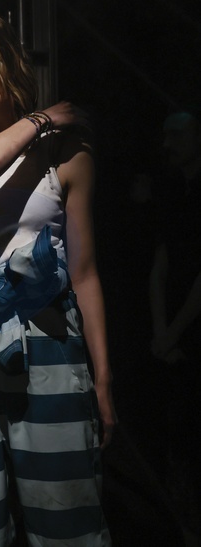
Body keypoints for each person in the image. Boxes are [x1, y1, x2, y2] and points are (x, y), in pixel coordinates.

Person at [0, 13, 116, 546]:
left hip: (42, 327)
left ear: (5, 61)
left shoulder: (67, 153)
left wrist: (103, 379)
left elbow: (85, 272)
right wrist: (42, 118)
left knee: (64, 503)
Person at [148, 107, 201, 538]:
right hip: (173, 333)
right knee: (176, 436)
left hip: (192, 331)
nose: (167, 144)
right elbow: (160, 265)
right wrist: (162, 330)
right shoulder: (172, 191)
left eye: (178, 134)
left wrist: (173, 330)